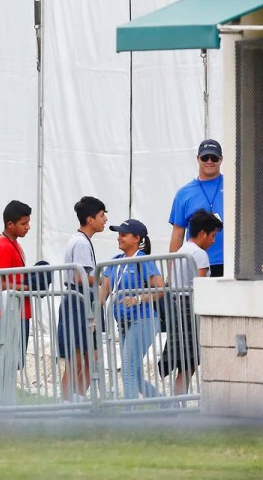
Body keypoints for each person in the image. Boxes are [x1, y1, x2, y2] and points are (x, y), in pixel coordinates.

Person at [160, 209, 223, 396]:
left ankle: (177, 402)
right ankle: (179, 404)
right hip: (191, 308)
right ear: (202, 233)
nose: (213, 240)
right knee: (189, 363)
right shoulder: (200, 254)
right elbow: (201, 286)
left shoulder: (181, 250)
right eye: (213, 235)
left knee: (185, 364)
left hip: (177, 306)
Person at [104, 219, 164, 401]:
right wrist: (91, 317)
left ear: (137, 238)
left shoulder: (143, 260)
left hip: (143, 319)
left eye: (123, 234)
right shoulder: (115, 261)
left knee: (128, 370)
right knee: (135, 375)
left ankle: (130, 417)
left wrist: (138, 298)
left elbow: (160, 289)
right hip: (123, 323)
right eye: (119, 234)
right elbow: (103, 292)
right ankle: (169, 407)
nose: (119, 238)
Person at [57, 196, 109, 402]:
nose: (105, 219)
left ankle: (75, 402)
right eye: (102, 215)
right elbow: (79, 276)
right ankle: (66, 406)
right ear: (89, 219)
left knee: (91, 359)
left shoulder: (82, 241)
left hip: (83, 302)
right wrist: (102, 280)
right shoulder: (80, 242)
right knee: (76, 360)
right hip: (77, 303)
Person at [169, 139, 224, 277]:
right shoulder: (184, 194)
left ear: (221, 159)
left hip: (230, 263)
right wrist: (171, 273)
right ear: (198, 159)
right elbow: (177, 234)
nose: (209, 161)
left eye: (214, 158)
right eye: (205, 157)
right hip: (197, 264)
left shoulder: (234, 185)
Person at [0, 200, 32, 364]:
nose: (28, 227)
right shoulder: (4, 245)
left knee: (10, 365)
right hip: (9, 314)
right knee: (6, 365)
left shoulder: (12, 243)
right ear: (10, 224)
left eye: (28, 223)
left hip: (16, 312)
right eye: (24, 223)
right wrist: (27, 287)